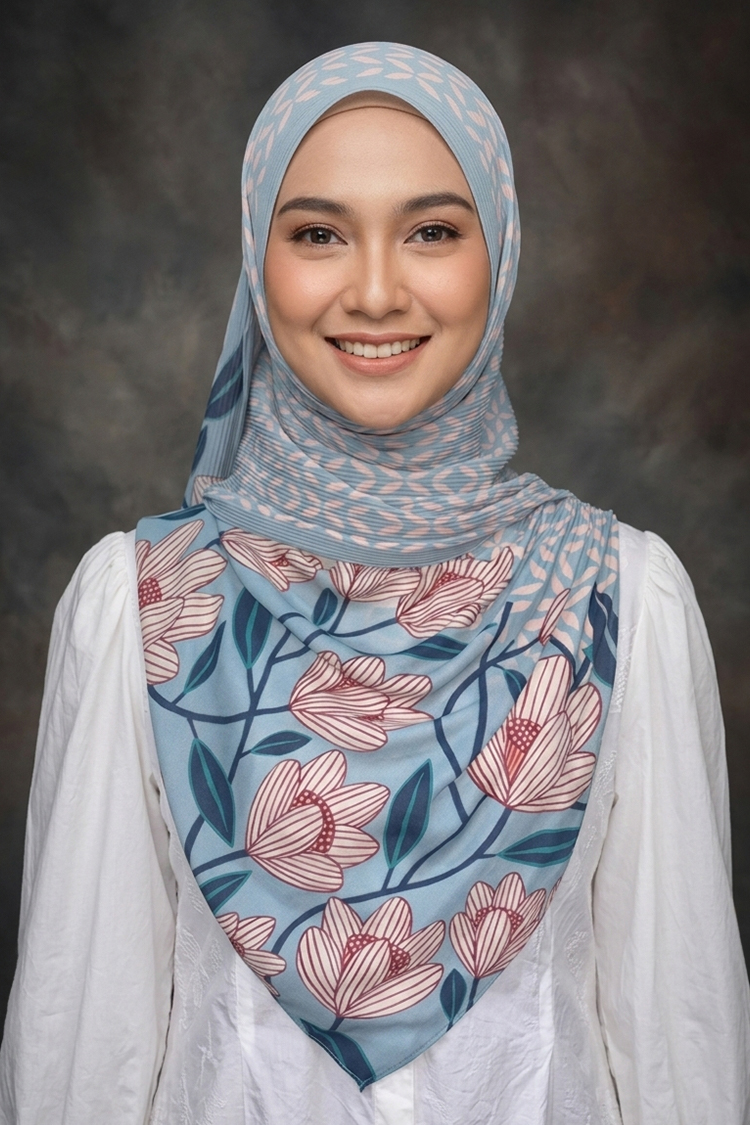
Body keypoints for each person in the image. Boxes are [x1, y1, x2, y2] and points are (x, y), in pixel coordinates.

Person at [1, 41, 748, 1125]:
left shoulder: (622, 603)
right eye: (318, 234)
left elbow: (681, 1047)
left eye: (432, 231)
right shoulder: (143, 605)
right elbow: (84, 1052)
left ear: (501, 254)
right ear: (257, 261)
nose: (377, 291)